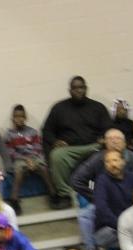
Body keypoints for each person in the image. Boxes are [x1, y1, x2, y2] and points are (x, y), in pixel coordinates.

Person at [42, 76, 112, 210]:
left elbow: (108, 127)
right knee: (57, 155)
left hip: (94, 146)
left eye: (81, 87)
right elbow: (47, 130)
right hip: (70, 149)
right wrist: (54, 141)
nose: (78, 90)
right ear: (70, 91)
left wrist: (104, 137)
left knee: (108, 153)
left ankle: (105, 191)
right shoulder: (59, 108)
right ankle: (65, 195)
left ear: (86, 89)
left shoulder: (98, 107)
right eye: (75, 88)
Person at [71, 130, 133, 250]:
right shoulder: (97, 161)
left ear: (125, 142)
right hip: (106, 202)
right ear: (104, 142)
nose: (114, 142)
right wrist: (96, 196)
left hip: (128, 203)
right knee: (85, 215)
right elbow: (76, 180)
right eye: (110, 139)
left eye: (117, 139)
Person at [3, 104, 57, 213]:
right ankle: (14, 198)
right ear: (12, 119)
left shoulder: (33, 132)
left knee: (42, 167)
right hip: (19, 159)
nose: (19, 119)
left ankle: (53, 194)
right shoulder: (9, 134)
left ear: (25, 118)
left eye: (22, 117)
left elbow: (38, 146)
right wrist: (25, 159)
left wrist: (32, 158)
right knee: (19, 170)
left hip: (34, 157)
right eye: (17, 117)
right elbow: (11, 151)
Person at [90, 149, 133, 250]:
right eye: (108, 162)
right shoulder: (102, 180)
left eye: (115, 160)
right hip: (112, 227)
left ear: (123, 161)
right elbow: (101, 208)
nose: (112, 164)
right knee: (101, 238)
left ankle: (132, 247)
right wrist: (122, 226)